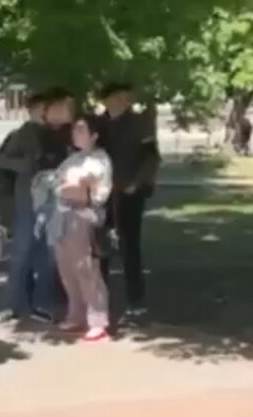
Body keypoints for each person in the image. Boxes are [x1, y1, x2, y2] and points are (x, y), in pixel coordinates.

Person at [46, 114, 113, 341]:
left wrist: (64, 187)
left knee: (86, 270)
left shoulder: (99, 160)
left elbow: (77, 187)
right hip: (62, 217)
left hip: (83, 218)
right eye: (75, 129)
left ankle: (98, 319)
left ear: (94, 135)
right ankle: (76, 314)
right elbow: (54, 182)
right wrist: (63, 186)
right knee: (66, 269)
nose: (76, 133)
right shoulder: (72, 158)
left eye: (82, 130)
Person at [96, 81, 161, 313]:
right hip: (100, 194)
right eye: (118, 97)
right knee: (99, 245)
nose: (123, 102)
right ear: (106, 100)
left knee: (130, 245)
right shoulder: (97, 125)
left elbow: (151, 157)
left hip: (130, 192)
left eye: (126, 97)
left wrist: (139, 182)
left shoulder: (139, 124)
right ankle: (99, 296)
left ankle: (135, 297)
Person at [0, 92, 45, 321]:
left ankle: (39, 301)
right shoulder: (22, 134)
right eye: (41, 109)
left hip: (47, 197)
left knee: (44, 250)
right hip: (27, 197)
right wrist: (24, 166)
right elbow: (3, 160)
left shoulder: (55, 133)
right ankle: (18, 302)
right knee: (24, 249)